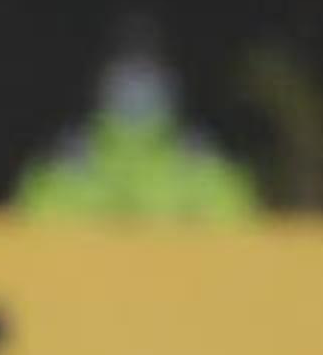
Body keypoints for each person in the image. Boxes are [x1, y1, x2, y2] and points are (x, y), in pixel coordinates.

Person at [14, 15, 261, 222]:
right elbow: (26, 241)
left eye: (149, 68)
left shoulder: (205, 164)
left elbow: (243, 244)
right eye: (125, 67)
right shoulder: (65, 164)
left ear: (173, 81)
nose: (136, 79)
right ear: (100, 79)